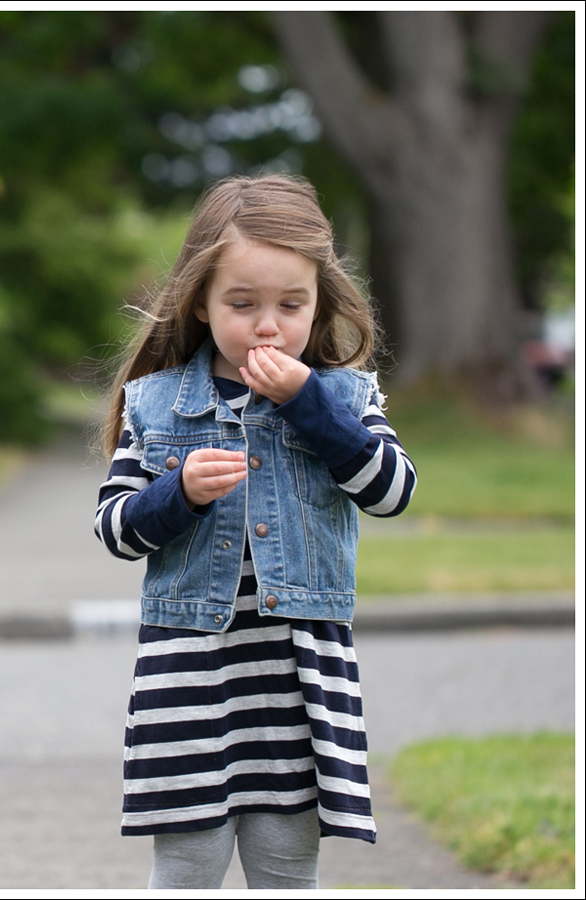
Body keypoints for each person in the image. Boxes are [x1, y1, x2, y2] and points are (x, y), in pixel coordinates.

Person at [94, 174, 417, 890]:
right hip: (189, 680)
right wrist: (176, 495)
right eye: (243, 304)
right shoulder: (155, 405)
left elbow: (392, 490)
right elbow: (115, 529)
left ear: (319, 304)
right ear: (202, 304)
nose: (268, 325)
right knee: (186, 866)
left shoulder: (345, 397)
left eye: (290, 305)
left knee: (285, 869)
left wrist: (309, 404)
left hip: (298, 686)